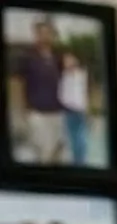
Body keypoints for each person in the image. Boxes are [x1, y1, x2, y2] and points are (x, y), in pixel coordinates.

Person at [12, 19, 66, 165]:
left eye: (48, 33)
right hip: (37, 113)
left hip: (58, 112)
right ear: (35, 35)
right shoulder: (27, 57)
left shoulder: (58, 57)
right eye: (41, 33)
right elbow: (18, 83)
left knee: (59, 152)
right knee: (43, 154)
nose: (45, 36)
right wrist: (22, 109)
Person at [58, 47, 89, 167]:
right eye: (66, 61)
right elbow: (61, 94)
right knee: (71, 138)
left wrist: (85, 107)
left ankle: (81, 162)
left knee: (80, 139)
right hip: (68, 110)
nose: (68, 63)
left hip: (79, 110)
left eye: (70, 60)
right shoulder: (64, 76)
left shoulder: (81, 74)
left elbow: (83, 93)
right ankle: (76, 162)